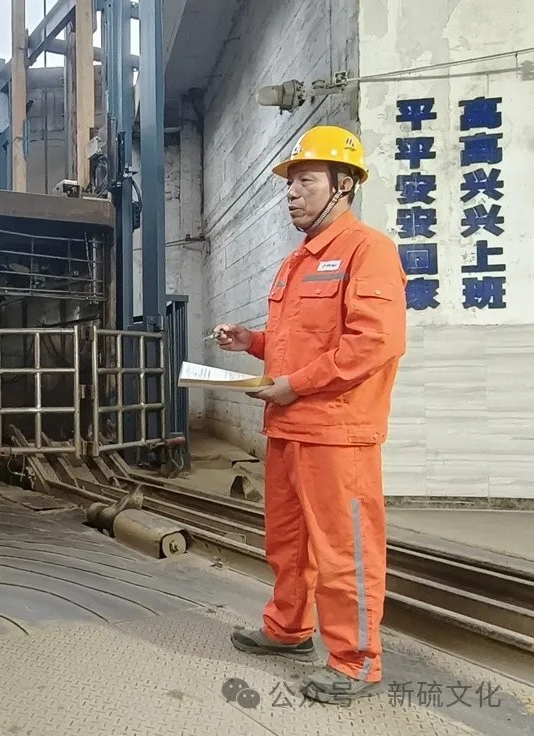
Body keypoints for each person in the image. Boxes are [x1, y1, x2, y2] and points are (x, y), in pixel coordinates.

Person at [213, 125, 407, 704]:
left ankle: (356, 662)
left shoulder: (368, 251)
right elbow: (297, 342)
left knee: (345, 550)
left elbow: (373, 342)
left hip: (338, 435)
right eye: (290, 183)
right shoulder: (296, 262)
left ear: (343, 184)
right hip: (290, 429)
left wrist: (294, 386)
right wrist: (252, 341)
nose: (292, 193)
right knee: (288, 542)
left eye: (306, 181)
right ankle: (288, 629)